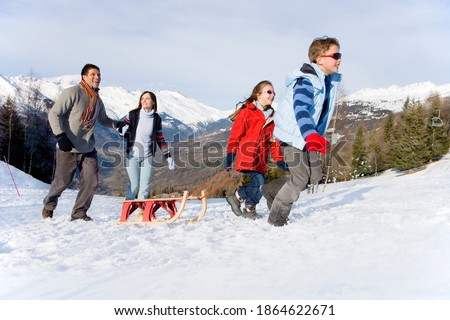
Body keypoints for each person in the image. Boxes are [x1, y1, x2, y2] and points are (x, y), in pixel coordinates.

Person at [263, 36, 342, 227]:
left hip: (307, 135)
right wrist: (311, 135)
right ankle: (277, 218)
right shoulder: (307, 80)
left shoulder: (324, 81)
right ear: (320, 58)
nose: (339, 59)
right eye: (336, 55)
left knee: (314, 177)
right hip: (294, 135)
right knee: (300, 179)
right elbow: (301, 108)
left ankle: (271, 190)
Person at [42, 63, 124, 221]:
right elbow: (54, 114)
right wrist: (60, 135)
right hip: (68, 147)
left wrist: (116, 124)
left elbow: (103, 119)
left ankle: (79, 213)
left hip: (88, 148)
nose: (97, 77)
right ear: (84, 77)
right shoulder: (73, 92)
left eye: (99, 75)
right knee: (62, 182)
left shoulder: (97, 100)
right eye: (93, 74)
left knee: (91, 181)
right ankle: (49, 205)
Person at [223, 80, 287, 220]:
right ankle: (243, 202)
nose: (272, 95)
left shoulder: (273, 118)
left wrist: (279, 159)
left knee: (259, 184)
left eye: (274, 92)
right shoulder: (247, 112)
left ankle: (242, 202)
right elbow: (235, 136)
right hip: (248, 156)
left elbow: (274, 142)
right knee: (261, 184)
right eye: (269, 92)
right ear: (258, 95)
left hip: (261, 160)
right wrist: (230, 154)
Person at [118, 91, 174, 201]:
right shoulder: (133, 114)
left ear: (153, 102)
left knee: (144, 187)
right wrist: (121, 131)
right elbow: (121, 128)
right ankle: (127, 210)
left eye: (147, 98)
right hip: (132, 155)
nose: (144, 100)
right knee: (134, 186)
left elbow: (159, 138)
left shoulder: (156, 118)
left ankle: (140, 211)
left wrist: (168, 156)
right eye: (142, 98)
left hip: (147, 156)